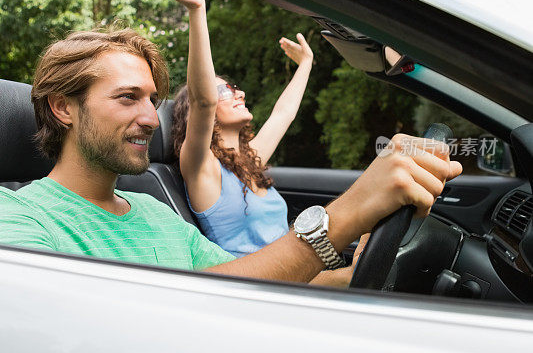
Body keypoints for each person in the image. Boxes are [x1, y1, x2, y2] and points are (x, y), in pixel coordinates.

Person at [0, 26, 462, 288]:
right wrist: (344, 215)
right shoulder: (19, 219)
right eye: (127, 98)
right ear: (64, 107)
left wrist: (365, 270)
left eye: (152, 99)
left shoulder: (152, 212)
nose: (152, 118)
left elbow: (244, 285)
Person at [137, 0, 313, 257]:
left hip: (297, 272)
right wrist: (197, 10)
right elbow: (203, 100)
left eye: (234, 87)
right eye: (225, 91)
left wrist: (306, 63)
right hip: (257, 286)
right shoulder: (201, 167)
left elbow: (284, 113)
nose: (239, 93)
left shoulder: (249, 159)